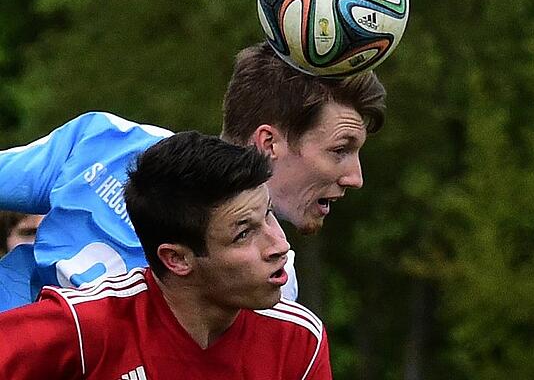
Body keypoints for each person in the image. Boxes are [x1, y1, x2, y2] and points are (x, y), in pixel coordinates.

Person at [0, 41, 386, 309]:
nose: (355, 177)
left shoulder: (274, 276)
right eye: (340, 150)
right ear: (268, 143)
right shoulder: (112, 143)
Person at [0, 131, 331, 379]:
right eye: (244, 232)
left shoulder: (299, 341)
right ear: (177, 259)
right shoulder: (85, 326)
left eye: (269, 215)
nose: (280, 246)